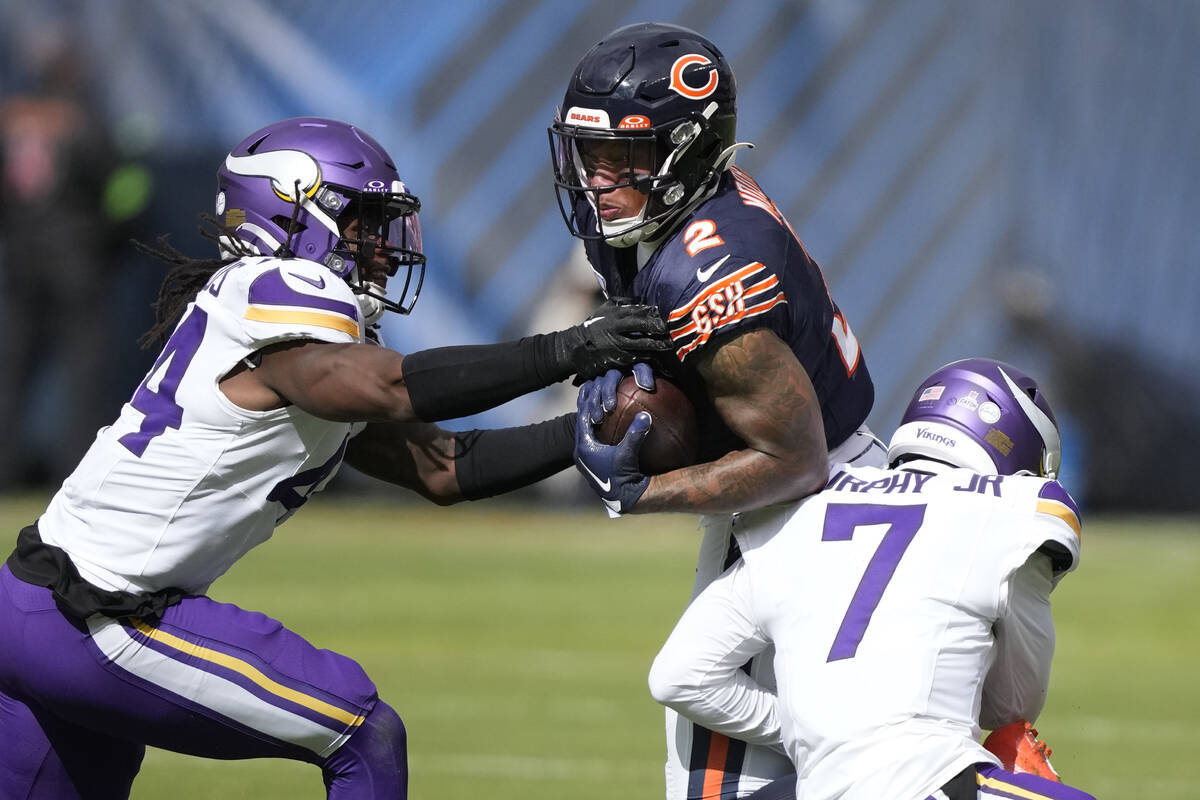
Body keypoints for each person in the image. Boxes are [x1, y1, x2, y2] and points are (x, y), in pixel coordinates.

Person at [0, 116, 673, 799]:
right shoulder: (281, 289)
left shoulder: (277, 325)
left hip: (31, 605)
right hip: (101, 614)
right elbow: (389, 385)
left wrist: (581, 435)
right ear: (294, 213)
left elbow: (443, 466)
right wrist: (569, 349)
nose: (384, 247)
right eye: (363, 221)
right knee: (359, 729)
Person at [550, 22, 884, 798]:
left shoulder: (713, 266)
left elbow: (791, 460)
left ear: (690, 147)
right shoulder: (663, 220)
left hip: (808, 501)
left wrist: (638, 492)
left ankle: (884, 744)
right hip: (800, 494)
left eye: (624, 156)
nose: (599, 179)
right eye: (588, 153)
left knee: (713, 770)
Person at [647, 358, 1095, 800]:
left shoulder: (801, 507)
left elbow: (680, 675)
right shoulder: (1012, 511)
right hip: (928, 781)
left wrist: (819, 730)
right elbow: (1011, 709)